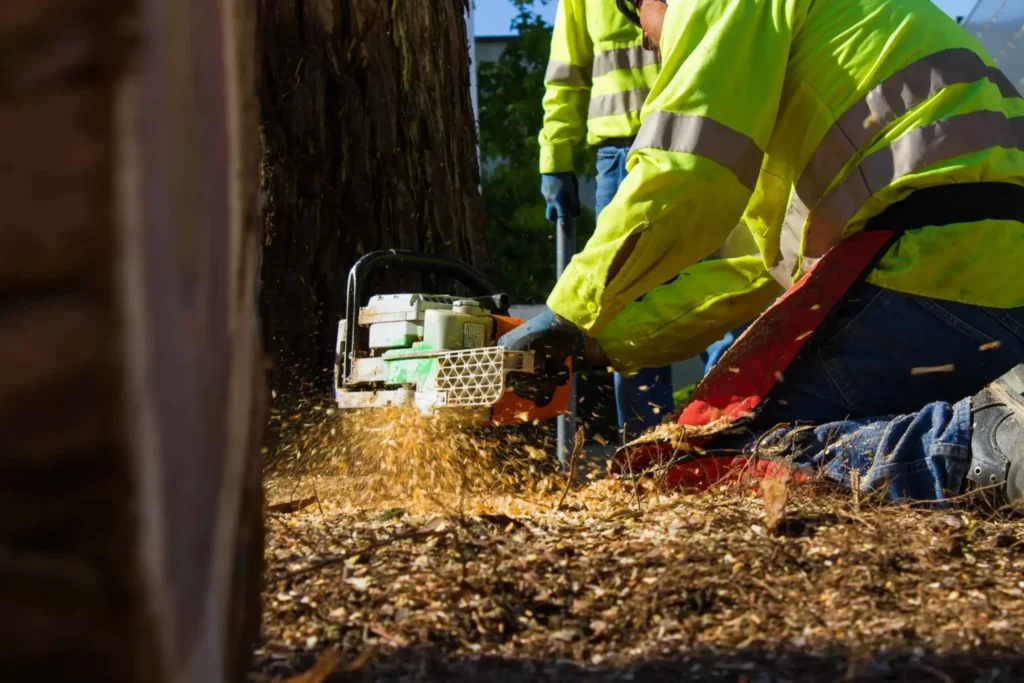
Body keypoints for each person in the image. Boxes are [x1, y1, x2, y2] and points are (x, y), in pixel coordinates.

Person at [503, 0, 1024, 506]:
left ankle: (977, 446)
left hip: (923, 267)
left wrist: (567, 310)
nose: (640, 35)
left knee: (702, 454)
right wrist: (597, 344)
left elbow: (683, 173)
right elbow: (749, 276)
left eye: (632, 9)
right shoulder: (823, 61)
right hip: (984, 289)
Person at [538, 0, 675, 441]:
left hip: (696, 136)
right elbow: (566, 75)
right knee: (627, 302)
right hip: (620, 157)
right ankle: (647, 450)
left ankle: (723, 435)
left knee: (721, 288)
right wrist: (555, 158)